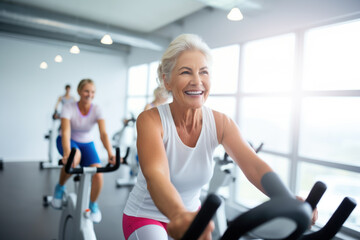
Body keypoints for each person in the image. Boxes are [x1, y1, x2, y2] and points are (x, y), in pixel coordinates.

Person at [122, 34, 317, 240]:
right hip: (146, 216)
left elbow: (254, 165)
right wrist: (179, 215)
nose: (197, 81)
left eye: (203, 72)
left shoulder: (221, 122)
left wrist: (285, 197)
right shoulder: (150, 120)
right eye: (186, 72)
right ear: (167, 81)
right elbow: (156, 175)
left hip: (194, 216)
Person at [51, 79, 115, 223]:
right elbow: (66, 131)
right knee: (75, 158)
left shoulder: (97, 109)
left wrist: (110, 153)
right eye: (86, 91)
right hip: (67, 140)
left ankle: (92, 204)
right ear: (79, 91)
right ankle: (60, 187)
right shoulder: (68, 107)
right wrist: (67, 153)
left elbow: (103, 133)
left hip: (87, 143)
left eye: (92, 92)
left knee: (98, 174)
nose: (89, 94)